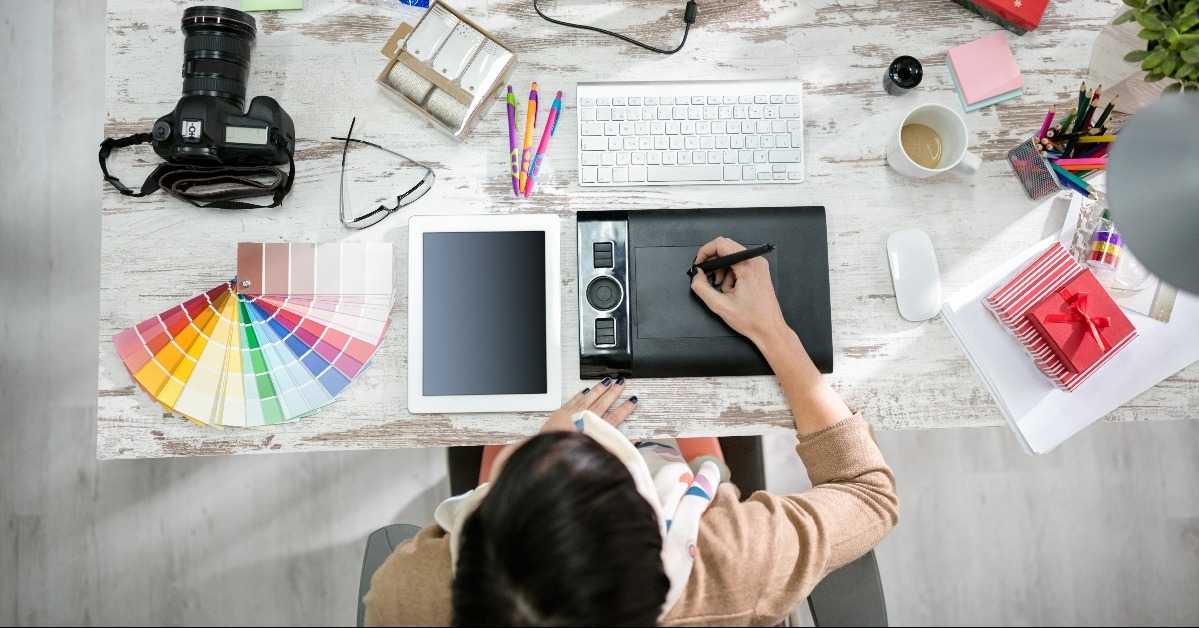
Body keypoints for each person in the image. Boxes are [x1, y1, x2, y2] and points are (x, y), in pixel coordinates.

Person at [363, 237, 900, 626]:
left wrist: (539, 440)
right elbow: (869, 495)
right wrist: (773, 331)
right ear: (658, 526)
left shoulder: (410, 598)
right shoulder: (734, 563)